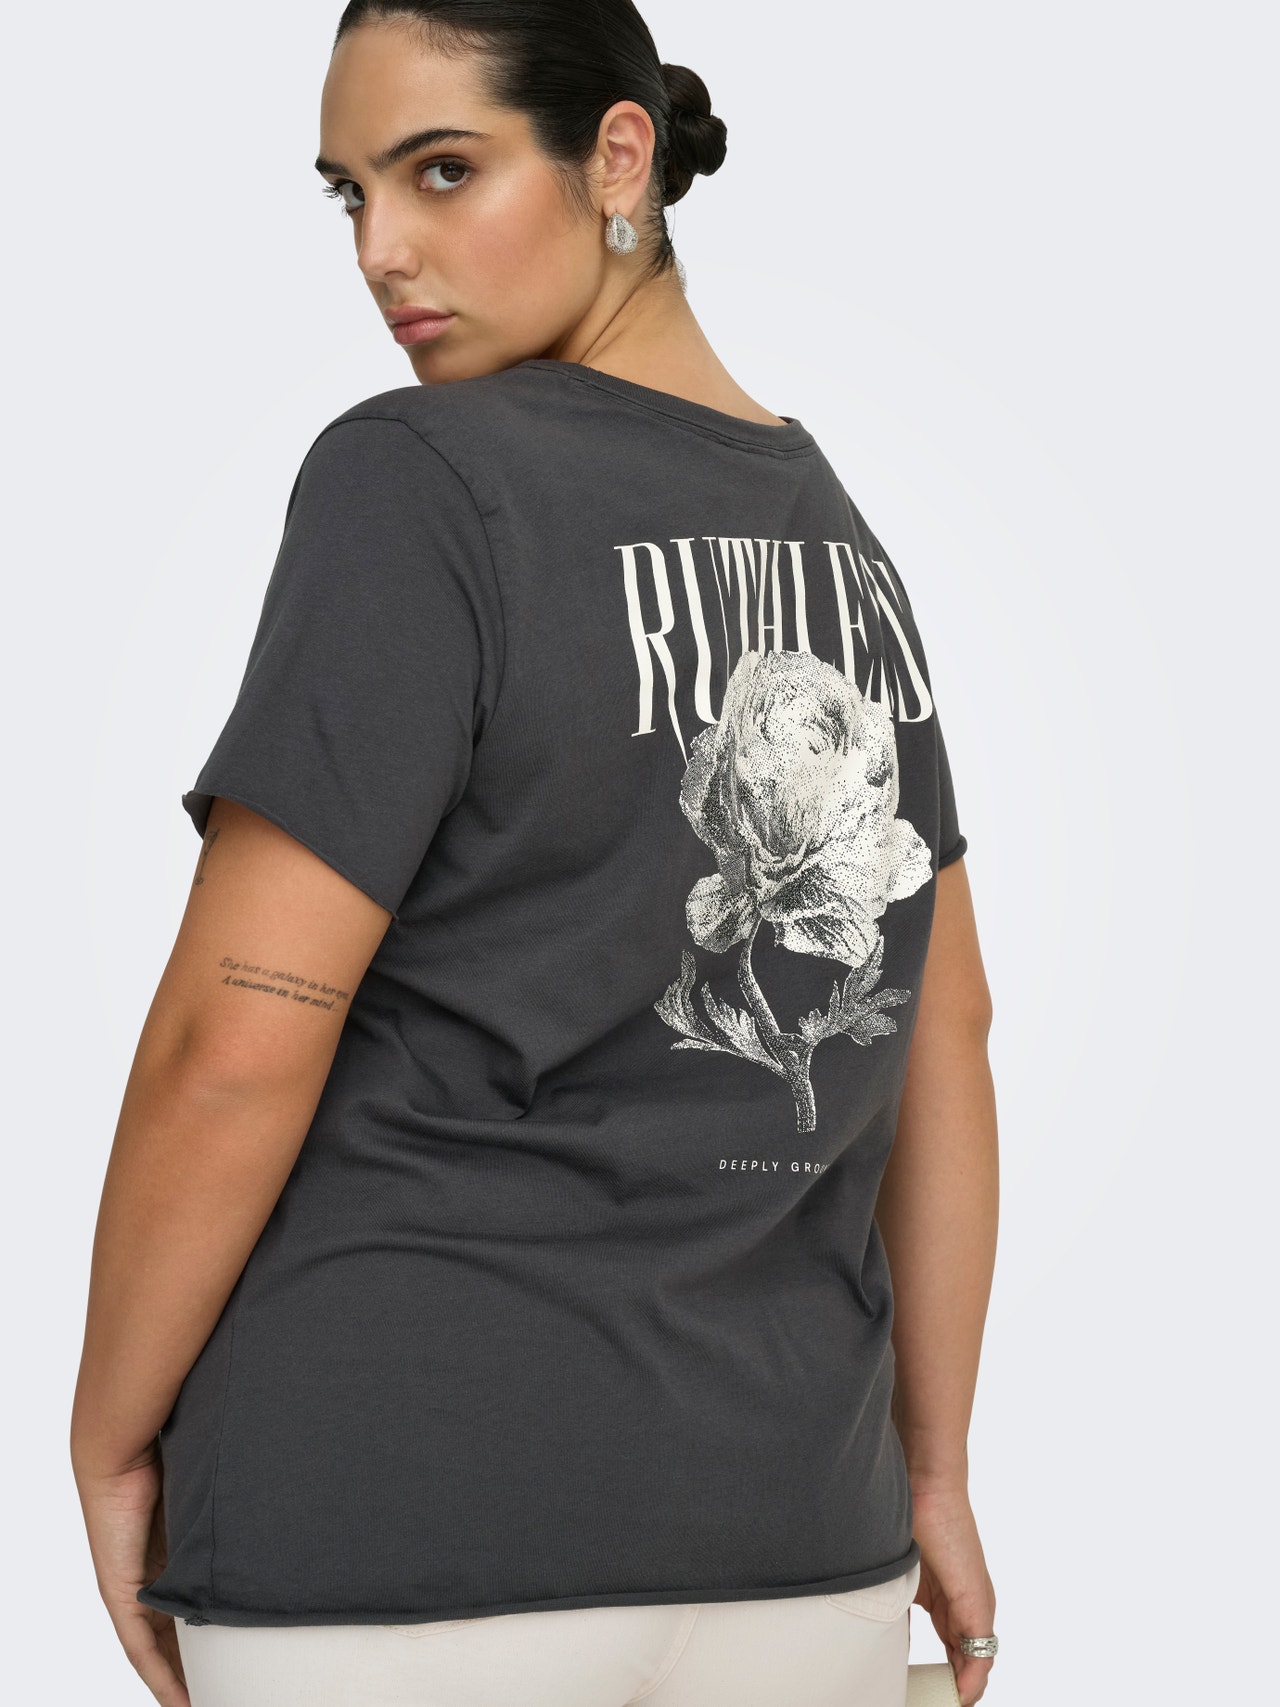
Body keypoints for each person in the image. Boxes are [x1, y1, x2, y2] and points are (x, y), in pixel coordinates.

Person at [69, 4, 1001, 1705]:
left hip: (401, 1525)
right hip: (799, 1536)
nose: (381, 249)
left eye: (442, 171)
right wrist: (929, 1469)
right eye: (348, 193)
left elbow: (235, 1046)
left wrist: (109, 1429)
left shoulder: (417, 481)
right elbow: (946, 1033)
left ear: (618, 158)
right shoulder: (840, 547)